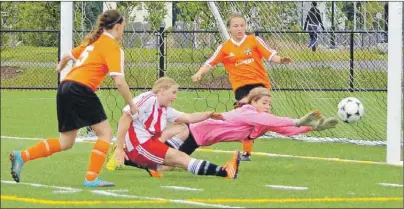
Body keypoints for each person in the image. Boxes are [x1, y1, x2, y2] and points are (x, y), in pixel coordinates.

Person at [9, 10, 138, 187]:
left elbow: (67, 56)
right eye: (123, 27)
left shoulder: (92, 42)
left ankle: (22, 156)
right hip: (81, 89)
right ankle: (91, 179)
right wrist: (131, 104)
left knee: (66, 141)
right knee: (105, 133)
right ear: (117, 27)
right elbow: (119, 81)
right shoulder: (113, 47)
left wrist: (60, 67)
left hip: (65, 87)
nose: (123, 32)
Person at [108, 87, 338, 176]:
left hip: (199, 137)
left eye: (269, 102)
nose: (267, 105)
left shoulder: (259, 120)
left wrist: (312, 127)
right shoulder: (247, 111)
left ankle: (129, 158)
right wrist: (298, 120)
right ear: (253, 101)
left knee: (168, 164)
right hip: (194, 131)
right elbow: (275, 119)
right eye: (264, 101)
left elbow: (282, 128)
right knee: (170, 159)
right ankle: (128, 153)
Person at [192, 13, 292, 161]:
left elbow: (270, 55)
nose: (239, 28)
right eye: (235, 26)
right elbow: (210, 63)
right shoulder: (225, 47)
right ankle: (247, 150)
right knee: (246, 116)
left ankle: (281, 128)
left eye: (242, 25)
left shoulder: (254, 40)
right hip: (241, 87)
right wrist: (199, 73)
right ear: (229, 29)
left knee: (258, 117)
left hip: (260, 84)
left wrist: (281, 60)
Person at [112, 77, 241, 179]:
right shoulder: (148, 99)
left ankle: (154, 165)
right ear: (162, 90)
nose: (175, 97)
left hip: (150, 143)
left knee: (183, 128)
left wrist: (209, 114)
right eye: (173, 92)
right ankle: (225, 172)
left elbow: (189, 117)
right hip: (140, 146)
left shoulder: (164, 108)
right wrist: (119, 148)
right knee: (181, 158)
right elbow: (125, 118)